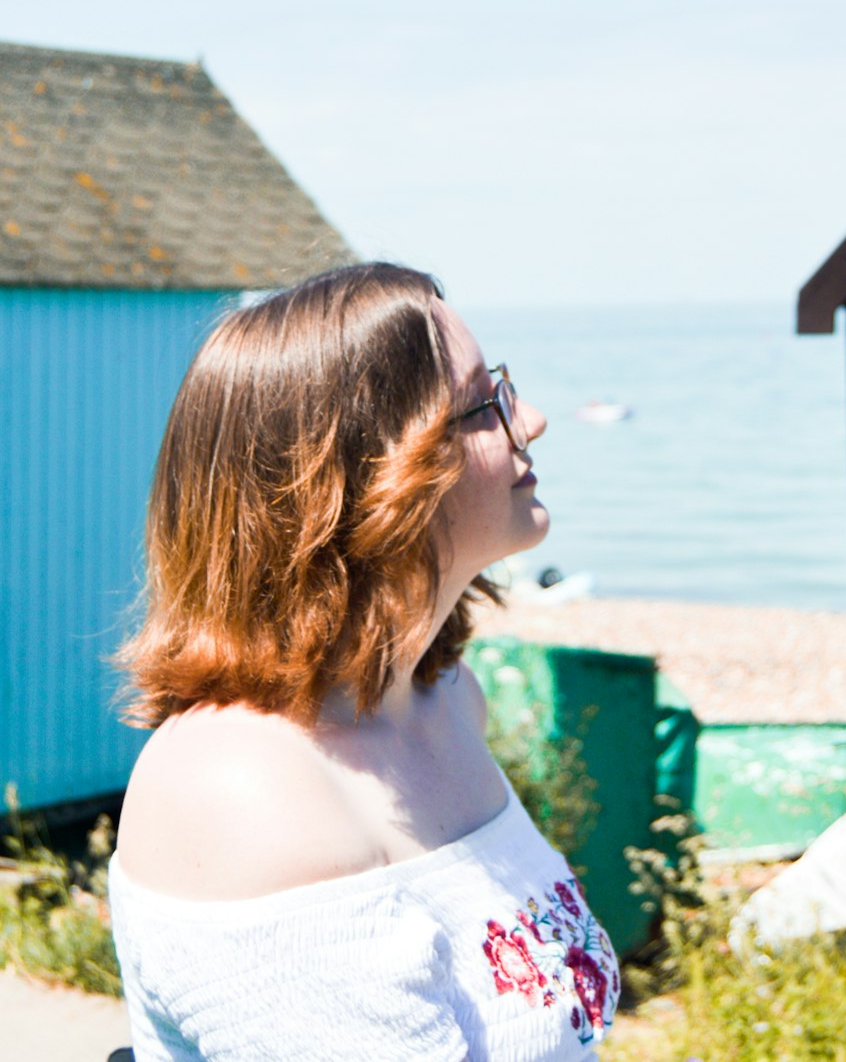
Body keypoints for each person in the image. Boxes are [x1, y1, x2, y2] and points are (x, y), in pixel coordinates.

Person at [110, 263, 619, 1060]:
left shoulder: (446, 699)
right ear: (366, 480)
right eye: (487, 405)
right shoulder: (246, 793)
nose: (535, 421)